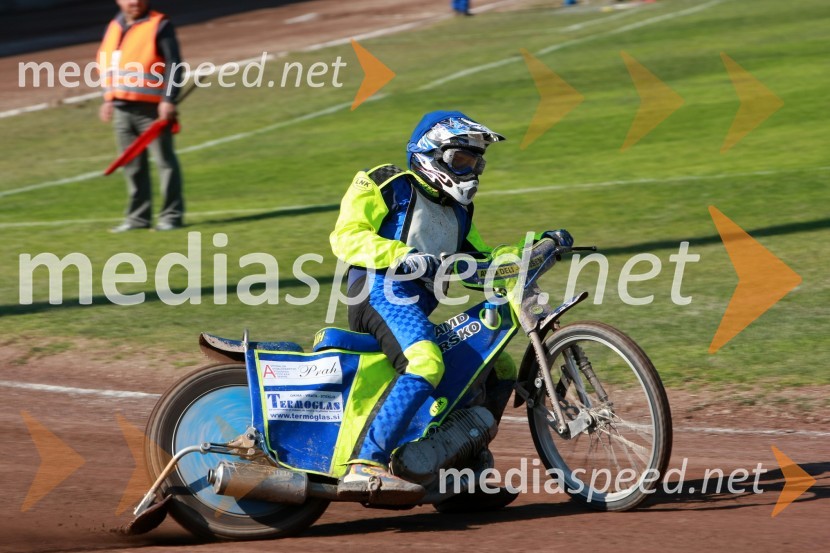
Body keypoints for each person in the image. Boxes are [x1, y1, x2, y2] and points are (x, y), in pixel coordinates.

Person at [330, 110, 573, 502]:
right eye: (461, 160)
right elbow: (345, 237)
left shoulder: (460, 212)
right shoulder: (386, 182)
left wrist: (533, 250)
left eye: (476, 162)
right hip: (378, 293)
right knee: (425, 361)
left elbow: (482, 263)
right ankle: (365, 464)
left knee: (496, 366)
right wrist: (401, 255)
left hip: (413, 308)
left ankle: (459, 477)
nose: (472, 172)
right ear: (430, 155)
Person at [98, 0, 185, 232]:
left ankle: (171, 216)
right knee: (132, 166)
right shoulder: (114, 27)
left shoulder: (159, 24)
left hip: (152, 110)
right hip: (121, 109)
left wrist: (168, 99)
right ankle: (138, 219)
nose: (134, 1)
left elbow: (174, 64)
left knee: (165, 163)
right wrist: (107, 97)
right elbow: (108, 64)